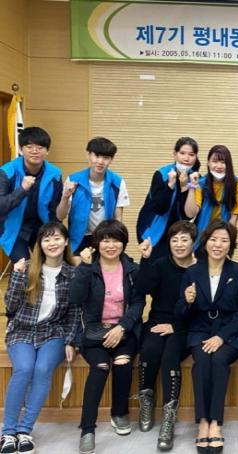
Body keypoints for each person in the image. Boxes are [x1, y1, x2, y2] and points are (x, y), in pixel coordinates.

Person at [0, 222, 78, 454]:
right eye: (46, 239)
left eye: (57, 238)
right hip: (22, 329)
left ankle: (24, 430)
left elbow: (74, 312)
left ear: (66, 241)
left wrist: (70, 341)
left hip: (53, 332)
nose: (52, 243)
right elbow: (10, 306)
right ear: (40, 244)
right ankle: (8, 433)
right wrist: (16, 276)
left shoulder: (73, 274)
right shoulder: (28, 269)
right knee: (24, 368)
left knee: (42, 369)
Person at [70, 220, 144, 454]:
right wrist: (83, 267)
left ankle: (119, 413)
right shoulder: (88, 267)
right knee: (101, 367)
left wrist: (122, 327)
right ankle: (87, 429)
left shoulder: (132, 269)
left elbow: (138, 303)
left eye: (116, 240)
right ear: (96, 243)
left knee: (122, 362)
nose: (110, 245)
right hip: (94, 332)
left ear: (123, 243)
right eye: (105, 240)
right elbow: (75, 298)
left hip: (124, 330)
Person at [177, 220, 238, 454]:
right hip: (200, 330)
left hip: (231, 332)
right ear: (205, 242)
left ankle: (216, 422)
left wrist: (221, 337)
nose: (218, 244)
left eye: (224, 240)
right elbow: (180, 312)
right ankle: (203, 422)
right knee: (202, 362)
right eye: (213, 239)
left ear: (231, 245)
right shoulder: (192, 272)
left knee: (218, 359)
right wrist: (187, 302)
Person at [135, 221, 198, 451]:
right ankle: (146, 402)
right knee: (150, 350)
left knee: (170, 356)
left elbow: (202, 309)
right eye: (174, 240)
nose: (179, 244)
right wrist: (145, 259)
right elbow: (141, 288)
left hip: (186, 326)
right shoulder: (161, 264)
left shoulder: (200, 269)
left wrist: (176, 326)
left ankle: (168, 420)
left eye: (184, 240)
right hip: (158, 320)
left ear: (193, 243)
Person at [56, 137, 130, 255]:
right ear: (88, 155)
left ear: (111, 160)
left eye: (105, 157)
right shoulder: (73, 180)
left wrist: (117, 242)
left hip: (105, 238)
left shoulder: (118, 182)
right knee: (79, 265)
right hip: (78, 239)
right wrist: (65, 197)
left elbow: (118, 219)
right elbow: (60, 216)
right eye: (96, 155)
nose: (100, 161)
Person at [0, 127, 62, 262]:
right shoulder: (7, 172)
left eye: (40, 147)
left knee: (49, 264)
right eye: (29, 147)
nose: (35, 151)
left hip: (43, 227)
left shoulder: (55, 174)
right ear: (21, 150)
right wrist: (22, 189)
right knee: (22, 265)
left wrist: (57, 233)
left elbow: (55, 208)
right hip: (14, 228)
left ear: (47, 151)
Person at [136, 137, 199, 259]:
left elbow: (187, 215)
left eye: (191, 155)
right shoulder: (162, 174)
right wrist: (170, 186)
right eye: (182, 153)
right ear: (175, 154)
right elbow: (159, 208)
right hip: (154, 232)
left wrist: (185, 188)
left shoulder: (195, 178)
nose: (186, 158)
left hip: (178, 236)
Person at [185, 145, 238, 234]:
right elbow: (191, 214)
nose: (219, 166)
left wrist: (228, 236)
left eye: (223, 162)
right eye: (215, 161)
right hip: (202, 233)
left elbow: (234, 216)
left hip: (224, 232)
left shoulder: (237, 184)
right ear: (208, 163)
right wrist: (192, 186)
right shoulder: (201, 183)